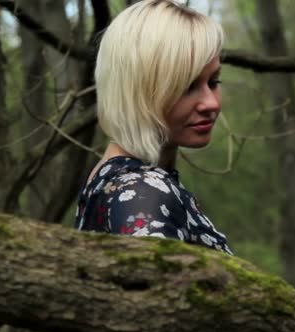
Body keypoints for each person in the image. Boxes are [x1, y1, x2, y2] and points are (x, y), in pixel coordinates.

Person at [74, 0, 232, 255]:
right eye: (187, 86)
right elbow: (156, 293)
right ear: (139, 90)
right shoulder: (140, 192)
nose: (211, 103)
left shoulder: (118, 181)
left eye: (214, 81)